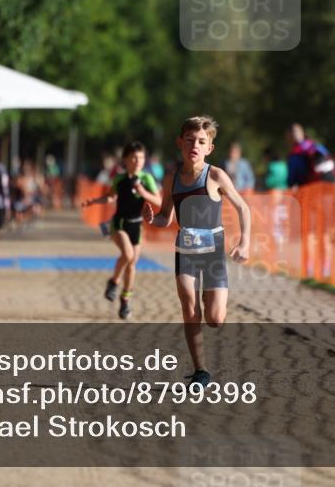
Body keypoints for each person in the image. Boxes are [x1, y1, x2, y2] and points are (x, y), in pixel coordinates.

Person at [146, 116, 250, 388]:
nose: (195, 145)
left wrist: (245, 242)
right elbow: (165, 217)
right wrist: (152, 218)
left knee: (215, 319)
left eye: (201, 141)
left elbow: (243, 208)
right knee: (190, 309)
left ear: (209, 148)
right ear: (180, 143)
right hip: (186, 249)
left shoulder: (215, 175)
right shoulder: (172, 178)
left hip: (213, 251)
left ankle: (211, 297)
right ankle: (201, 371)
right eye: (190, 140)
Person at [81, 142, 162, 319]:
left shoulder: (147, 179)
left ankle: (125, 300)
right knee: (128, 254)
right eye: (133, 157)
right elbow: (110, 196)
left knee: (132, 264)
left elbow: (159, 201)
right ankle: (113, 281)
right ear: (125, 160)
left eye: (140, 158)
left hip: (137, 225)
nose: (137, 161)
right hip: (119, 224)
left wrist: (144, 193)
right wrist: (94, 202)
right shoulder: (119, 178)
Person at [286, 124, 335, 278]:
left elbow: (292, 179)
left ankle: (309, 268)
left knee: (309, 232)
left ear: (289, 137)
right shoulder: (317, 147)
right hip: (326, 195)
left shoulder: (294, 154)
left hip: (307, 196)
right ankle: (326, 268)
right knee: (325, 232)